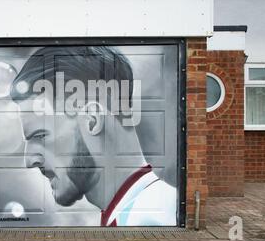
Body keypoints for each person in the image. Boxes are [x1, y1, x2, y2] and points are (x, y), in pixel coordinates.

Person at [10, 46, 176, 226]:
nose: (29, 160)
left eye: (40, 135)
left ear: (92, 120)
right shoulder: (136, 211)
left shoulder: (149, 220)